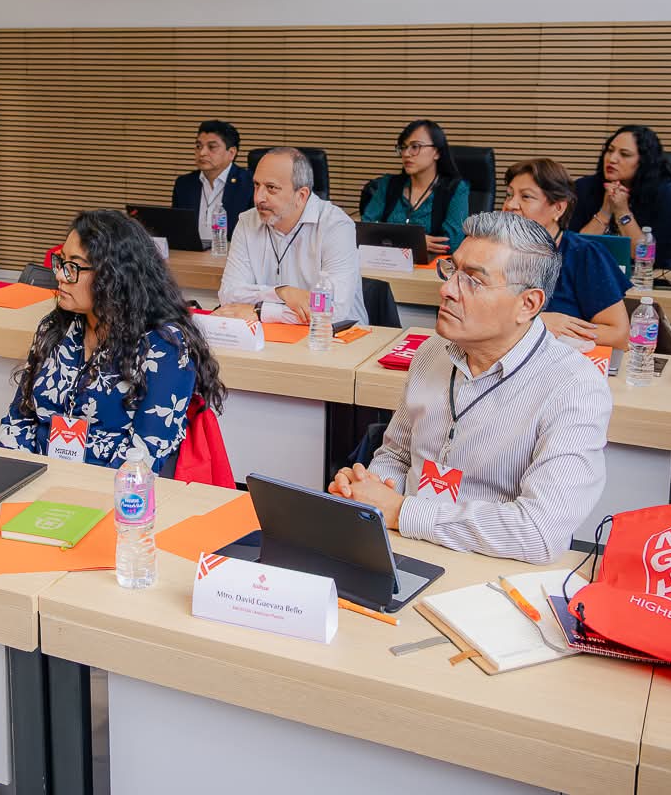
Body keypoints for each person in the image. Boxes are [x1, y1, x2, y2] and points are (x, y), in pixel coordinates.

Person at [328, 212, 610, 561]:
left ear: (528, 304)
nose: (446, 290)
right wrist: (369, 494)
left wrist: (402, 511)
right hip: (404, 548)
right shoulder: (432, 352)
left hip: (493, 570)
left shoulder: (573, 386)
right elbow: (397, 455)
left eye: (474, 281)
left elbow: (540, 532)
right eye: (452, 270)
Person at [0, 209, 224, 471]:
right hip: (39, 477)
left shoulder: (164, 347)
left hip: (111, 492)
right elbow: (19, 418)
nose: (60, 275)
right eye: (60, 262)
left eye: (73, 266)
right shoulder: (56, 327)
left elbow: (144, 454)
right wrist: (16, 474)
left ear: (112, 275)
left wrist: (72, 488)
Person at [216, 147, 369, 326]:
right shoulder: (247, 221)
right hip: (272, 336)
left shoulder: (336, 226)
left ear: (301, 195)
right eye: (256, 185)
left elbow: (332, 311)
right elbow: (228, 294)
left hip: (335, 339)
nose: (258, 198)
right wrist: (282, 292)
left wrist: (261, 311)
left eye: (271, 188)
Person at [502, 158, 632, 348]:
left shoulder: (584, 254)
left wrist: (540, 329)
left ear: (558, 208)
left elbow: (618, 334)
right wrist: (536, 324)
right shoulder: (494, 251)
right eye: (509, 195)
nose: (511, 205)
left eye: (526, 197)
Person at [567, 124, 671, 269]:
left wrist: (622, 212)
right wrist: (605, 212)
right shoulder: (584, 188)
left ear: (643, 161)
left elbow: (649, 259)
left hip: (648, 281)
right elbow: (574, 251)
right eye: (610, 151)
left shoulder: (665, 194)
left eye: (624, 154)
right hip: (593, 274)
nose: (612, 159)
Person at [360, 119, 470, 256]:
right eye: (403, 147)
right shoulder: (387, 185)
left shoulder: (456, 189)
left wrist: (389, 238)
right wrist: (414, 241)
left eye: (415, 147)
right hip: (386, 265)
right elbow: (365, 231)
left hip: (430, 272)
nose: (406, 154)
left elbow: (452, 243)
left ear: (437, 152)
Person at [171, 119, 253, 244]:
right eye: (198, 146)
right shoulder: (184, 184)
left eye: (212, 147)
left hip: (233, 257)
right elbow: (177, 231)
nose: (202, 153)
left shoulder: (249, 184)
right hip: (191, 257)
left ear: (231, 153)